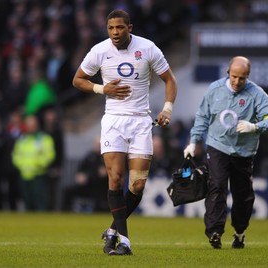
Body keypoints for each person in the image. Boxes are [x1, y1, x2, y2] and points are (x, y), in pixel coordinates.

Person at [72, 9, 177, 255]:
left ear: (130, 27)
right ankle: (125, 241)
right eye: (111, 29)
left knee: (138, 185)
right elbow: (78, 79)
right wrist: (101, 89)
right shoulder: (99, 51)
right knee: (116, 179)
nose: (115, 33)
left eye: (120, 28)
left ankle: (112, 231)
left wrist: (167, 109)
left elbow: (170, 79)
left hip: (141, 121)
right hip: (114, 121)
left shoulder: (148, 48)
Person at [183, 56, 268, 249]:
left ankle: (240, 232)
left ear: (248, 77)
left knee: (243, 195)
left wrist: (255, 126)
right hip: (218, 146)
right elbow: (202, 116)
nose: (237, 82)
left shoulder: (257, 95)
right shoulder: (214, 90)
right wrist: (193, 142)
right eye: (234, 76)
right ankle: (215, 232)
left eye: (242, 78)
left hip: (244, 152)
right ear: (228, 73)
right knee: (216, 186)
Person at [12, 115, 56, 211]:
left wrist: (37, 165)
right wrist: (22, 165)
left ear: (37, 125)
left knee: (40, 202)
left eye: (32, 124)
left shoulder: (44, 139)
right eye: (28, 125)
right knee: (27, 201)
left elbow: (49, 155)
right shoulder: (22, 139)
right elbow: (16, 155)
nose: (30, 127)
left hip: (38, 175)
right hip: (24, 174)